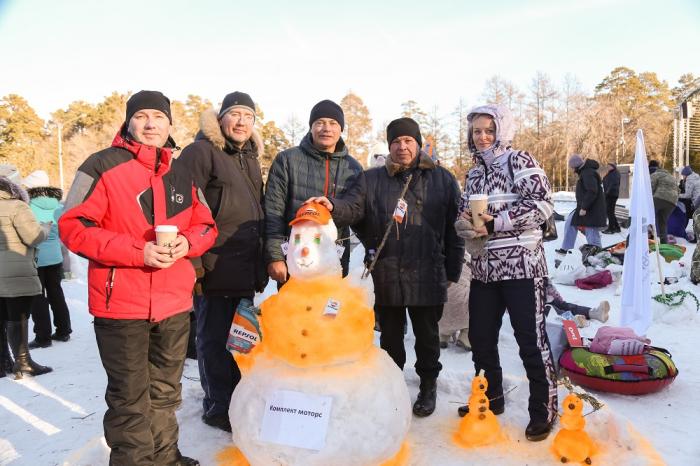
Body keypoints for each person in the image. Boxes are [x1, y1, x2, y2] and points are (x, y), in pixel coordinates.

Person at [59, 90, 217, 466]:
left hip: (174, 304)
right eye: (142, 116)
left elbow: (206, 225)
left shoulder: (182, 173)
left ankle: (165, 457)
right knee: (129, 397)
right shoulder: (100, 166)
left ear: (169, 124)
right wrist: (137, 251)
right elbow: (72, 225)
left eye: (158, 117)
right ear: (128, 122)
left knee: (165, 392)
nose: (150, 124)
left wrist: (186, 243)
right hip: (120, 304)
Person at [308, 117, 464, 417]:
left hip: (428, 271)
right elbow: (352, 207)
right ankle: (392, 385)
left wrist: (452, 271)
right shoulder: (371, 179)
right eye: (396, 141)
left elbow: (453, 228)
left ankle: (428, 385)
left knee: (427, 335)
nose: (402, 146)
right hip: (387, 272)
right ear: (389, 146)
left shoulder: (442, 179)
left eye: (408, 141)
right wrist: (331, 206)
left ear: (418, 144)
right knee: (390, 336)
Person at [454, 104, 557, 441]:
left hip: (521, 267)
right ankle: (490, 397)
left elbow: (542, 204)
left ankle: (543, 407)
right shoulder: (473, 174)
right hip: (484, 269)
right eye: (476, 131)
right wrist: (464, 225)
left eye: (489, 130)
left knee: (530, 339)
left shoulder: (520, 160)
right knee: (482, 338)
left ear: (502, 130)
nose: (482, 137)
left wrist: (497, 222)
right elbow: (464, 212)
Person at [177, 91, 268, 432]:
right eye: (235, 114)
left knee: (239, 340)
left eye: (249, 115)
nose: (242, 121)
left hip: (243, 268)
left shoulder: (249, 158)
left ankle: (237, 400)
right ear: (221, 119)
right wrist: (195, 264)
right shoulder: (201, 152)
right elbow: (181, 206)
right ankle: (218, 406)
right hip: (213, 268)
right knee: (213, 340)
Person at [264, 99, 362, 285]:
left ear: (341, 129)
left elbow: (356, 212)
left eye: (333, 123)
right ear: (311, 127)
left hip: (334, 261)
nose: (326, 128)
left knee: (330, 313)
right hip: (296, 259)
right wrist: (275, 256)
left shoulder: (353, 168)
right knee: (293, 312)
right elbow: (273, 212)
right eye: (320, 122)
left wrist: (334, 207)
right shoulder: (287, 160)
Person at [0, 165, 53, 378]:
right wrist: (45, 229)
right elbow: (33, 237)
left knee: (1, 317)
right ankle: (23, 362)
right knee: (17, 316)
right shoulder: (16, 207)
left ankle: (3, 362)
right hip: (17, 271)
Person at [21, 170, 73, 348]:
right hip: (55, 256)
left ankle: (43, 337)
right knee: (56, 293)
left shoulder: (27, 207)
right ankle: (64, 330)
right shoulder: (57, 206)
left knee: (37, 297)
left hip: (36, 257)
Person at [557, 154, 607, 253]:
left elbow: (592, 191)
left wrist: (584, 207)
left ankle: (597, 253)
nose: (572, 169)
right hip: (585, 207)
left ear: (575, 165)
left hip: (592, 209)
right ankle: (566, 249)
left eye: (572, 167)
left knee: (591, 230)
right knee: (570, 222)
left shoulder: (588, 172)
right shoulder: (585, 172)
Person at [544, 278, 609, 328]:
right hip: (539, 305)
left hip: (545, 297)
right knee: (552, 310)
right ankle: (573, 321)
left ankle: (594, 313)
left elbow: (546, 282)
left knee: (565, 306)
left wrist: (554, 294)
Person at [439, 250, 471, 351]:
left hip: (441, 311)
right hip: (462, 311)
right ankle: (465, 335)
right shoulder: (468, 260)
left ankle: (443, 336)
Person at [649, 160, 679, 244]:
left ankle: (646, 238)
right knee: (662, 222)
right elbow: (678, 190)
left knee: (647, 216)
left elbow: (650, 188)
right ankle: (663, 242)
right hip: (672, 202)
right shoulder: (671, 176)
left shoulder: (655, 174)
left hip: (660, 198)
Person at [601, 163, 621, 234]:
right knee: (610, 212)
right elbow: (604, 181)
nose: (608, 167)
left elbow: (612, 185)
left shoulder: (615, 173)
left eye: (609, 166)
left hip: (611, 195)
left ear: (613, 167)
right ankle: (616, 227)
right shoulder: (610, 173)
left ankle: (611, 228)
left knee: (609, 212)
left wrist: (607, 193)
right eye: (608, 165)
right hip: (609, 194)